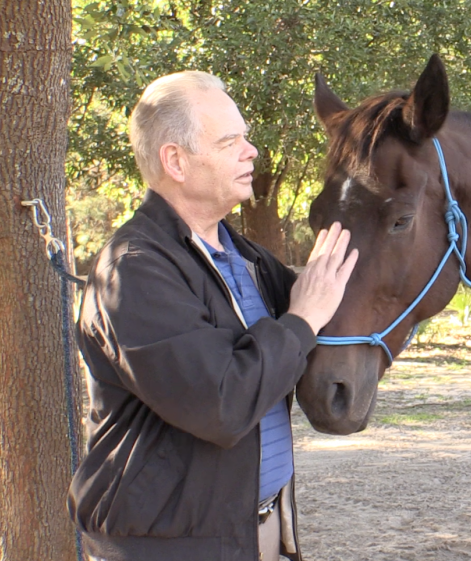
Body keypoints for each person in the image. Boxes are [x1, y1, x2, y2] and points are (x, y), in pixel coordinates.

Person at [68, 71, 358, 561]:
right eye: (231, 142)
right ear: (175, 161)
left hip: (257, 532)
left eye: (246, 138)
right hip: (167, 549)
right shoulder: (134, 271)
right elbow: (221, 403)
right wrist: (302, 317)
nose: (252, 152)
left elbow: (334, 323)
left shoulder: (247, 259)